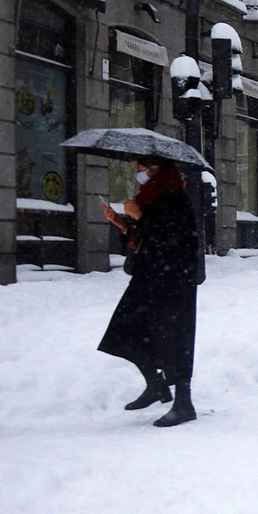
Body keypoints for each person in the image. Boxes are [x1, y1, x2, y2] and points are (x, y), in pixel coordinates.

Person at [98, 156, 204, 427]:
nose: (138, 174)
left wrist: (139, 217)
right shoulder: (150, 194)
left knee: (173, 337)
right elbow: (148, 234)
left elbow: (172, 237)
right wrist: (123, 225)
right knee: (127, 329)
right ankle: (156, 385)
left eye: (140, 168)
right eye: (135, 169)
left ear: (156, 168)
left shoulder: (175, 195)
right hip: (149, 275)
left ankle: (184, 403)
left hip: (173, 280)